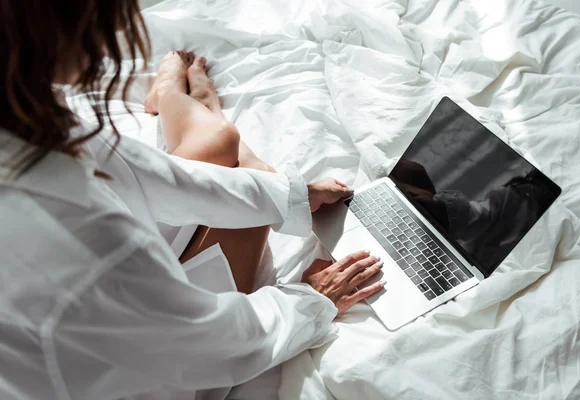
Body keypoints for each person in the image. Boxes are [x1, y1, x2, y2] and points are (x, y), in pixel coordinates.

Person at [0, 1, 385, 399]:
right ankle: (182, 98)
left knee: (227, 154)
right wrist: (311, 304)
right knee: (241, 174)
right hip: (139, 375)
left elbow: (144, 174)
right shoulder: (84, 246)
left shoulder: (20, 113)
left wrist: (291, 196)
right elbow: (209, 345)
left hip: (111, 329)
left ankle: (176, 96)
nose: (113, 34)